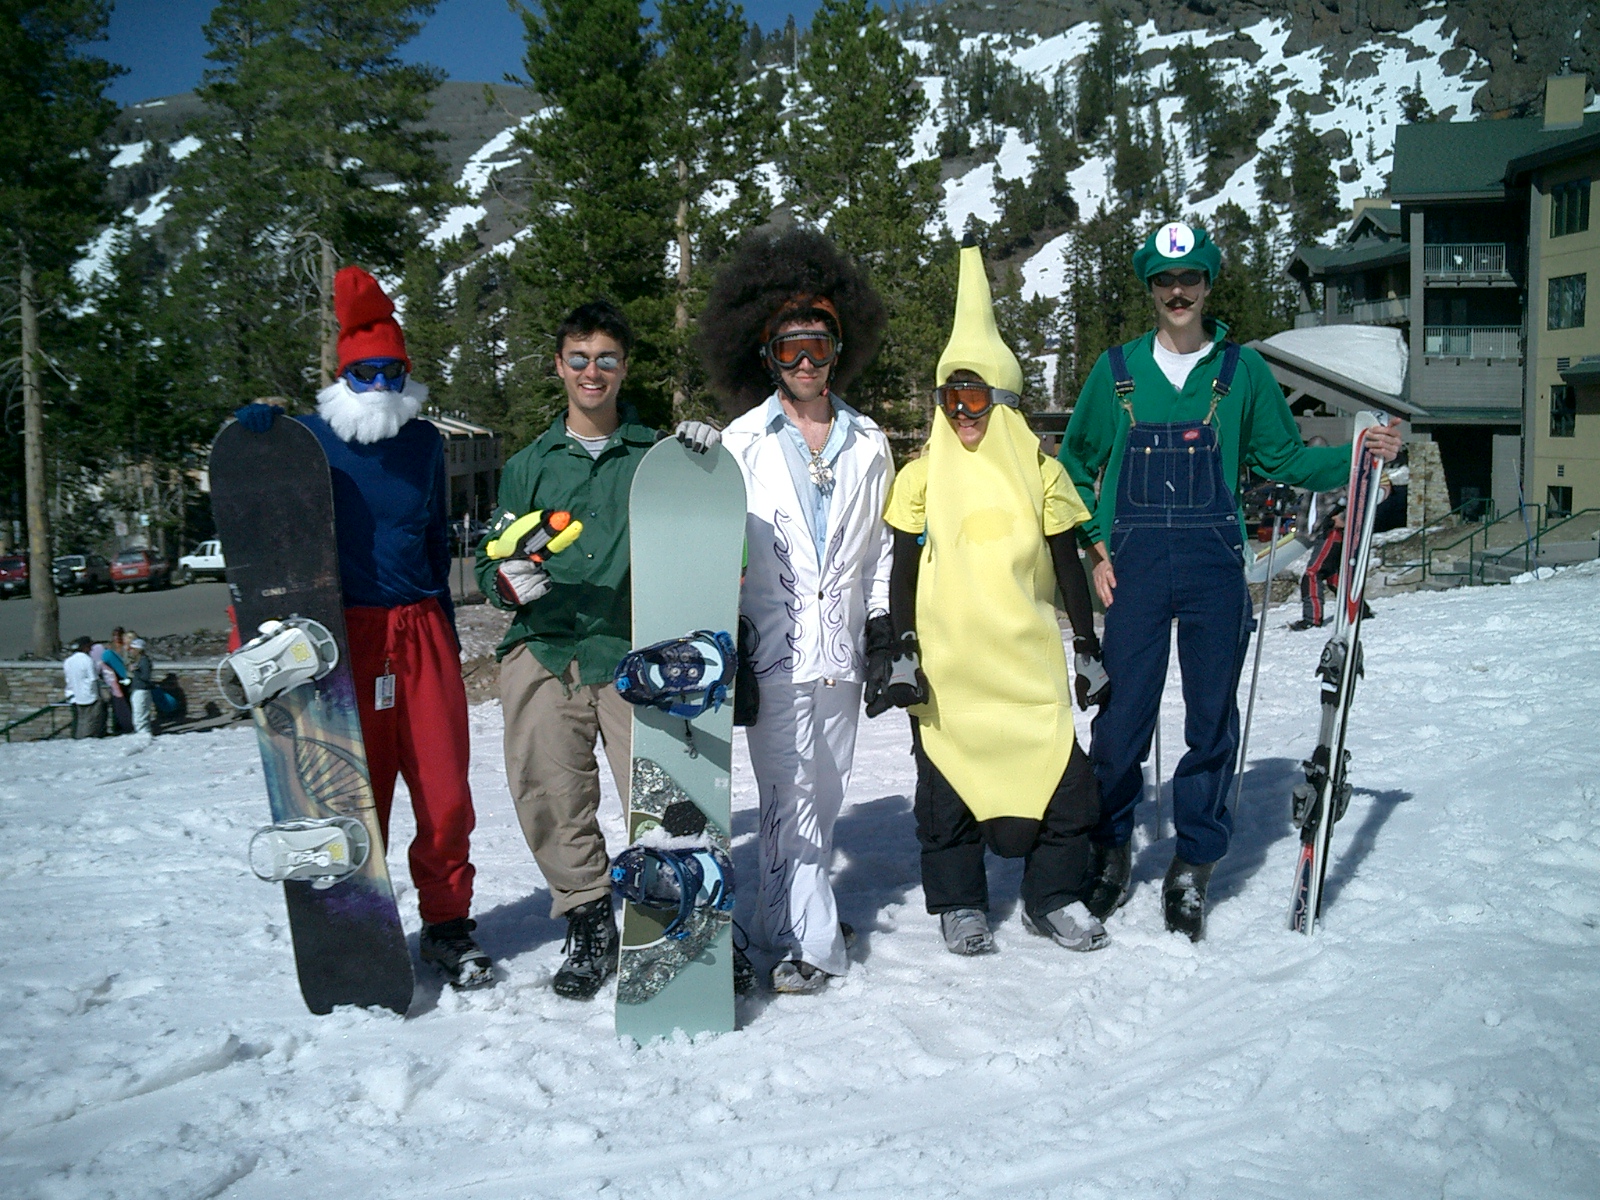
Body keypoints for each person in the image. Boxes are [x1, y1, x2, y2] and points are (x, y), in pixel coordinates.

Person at [1059, 221, 1402, 941]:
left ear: (1208, 283)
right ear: (1150, 288)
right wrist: (1095, 548)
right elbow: (1074, 468)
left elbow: (1285, 460)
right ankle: (1110, 847)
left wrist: (1356, 453)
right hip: (1133, 571)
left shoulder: (1241, 372)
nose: (1177, 292)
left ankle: (1194, 861)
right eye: (1164, 280)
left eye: (1190, 278)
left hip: (1215, 570)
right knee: (1121, 722)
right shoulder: (1116, 370)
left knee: (1211, 721)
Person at [234, 265, 491, 989]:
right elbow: (271, 536)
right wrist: (259, 442)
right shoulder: (310, 440)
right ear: (342, 376)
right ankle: (355, 925)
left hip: (421, 629)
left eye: (392, 372)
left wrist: (440, 625)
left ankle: (448, 925)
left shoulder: (425, 442)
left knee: (444, 793)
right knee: (352, 789)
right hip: (343, 638)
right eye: (365, 372)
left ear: (407, 374)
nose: (379, 384)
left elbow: (435, 536)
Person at [472, 299, 711, 1001]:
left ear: (624, 367)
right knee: (550, 793)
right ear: (559, 365)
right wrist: (503, 581)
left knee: (665, 791)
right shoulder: (528, 465)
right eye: (579, 358)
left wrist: (704, 459)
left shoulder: (658, 457)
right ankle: (588, 919)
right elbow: (492, 559)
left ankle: (682, 915)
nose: (592, 371)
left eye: (606, 358)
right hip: (546, 648)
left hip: (632, 650)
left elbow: (705, 523)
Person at [878, 238, 1111, 957]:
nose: (961, 412)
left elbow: (1067, 568)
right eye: (949, 397)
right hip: (951, 677)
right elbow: (902, 573)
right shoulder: (919, 478)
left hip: (1026, 673)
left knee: (1070, 794)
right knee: (943, 801)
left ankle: (1053, 897)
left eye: (974, 396)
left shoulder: (1042, 473)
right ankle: (959, 905)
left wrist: (1087, 646)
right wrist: (902, 648)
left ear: (1003, 400)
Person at [694, 226, 895, 994]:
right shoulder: (739, 443)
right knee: (787, 796)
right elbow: (710, 546)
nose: (805, 362)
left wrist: (883, 630)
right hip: (773, 653)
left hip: (840, 654)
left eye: (818, 345)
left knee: (827, 792)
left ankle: (780, 919)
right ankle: (812, 942)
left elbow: (879, 549)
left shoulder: (869, 443)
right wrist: (694, 465)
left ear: (840, 348)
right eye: (789, 347)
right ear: (765, 353)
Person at [63, 636, 102, 739]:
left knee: (79, 720)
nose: (91, 649)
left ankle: (77, 737)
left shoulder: (68, 661)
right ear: (85, 647)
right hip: (89, 695)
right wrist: (96, 695)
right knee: (90, 720)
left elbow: (68, 679)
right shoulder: (88, 660)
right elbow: (93, 679)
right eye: (90, 646)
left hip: (74, 695)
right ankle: (85, 738)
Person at [127, 637, 154, 733]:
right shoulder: (140, 661)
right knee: (139, 714)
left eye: (132, 649)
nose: (130, 651)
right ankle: (142, 733)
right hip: (139, 689)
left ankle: (143, 734)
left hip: (141, 690)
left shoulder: (144, 661)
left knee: (140, 715)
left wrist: (135, 671)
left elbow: (146, 676)